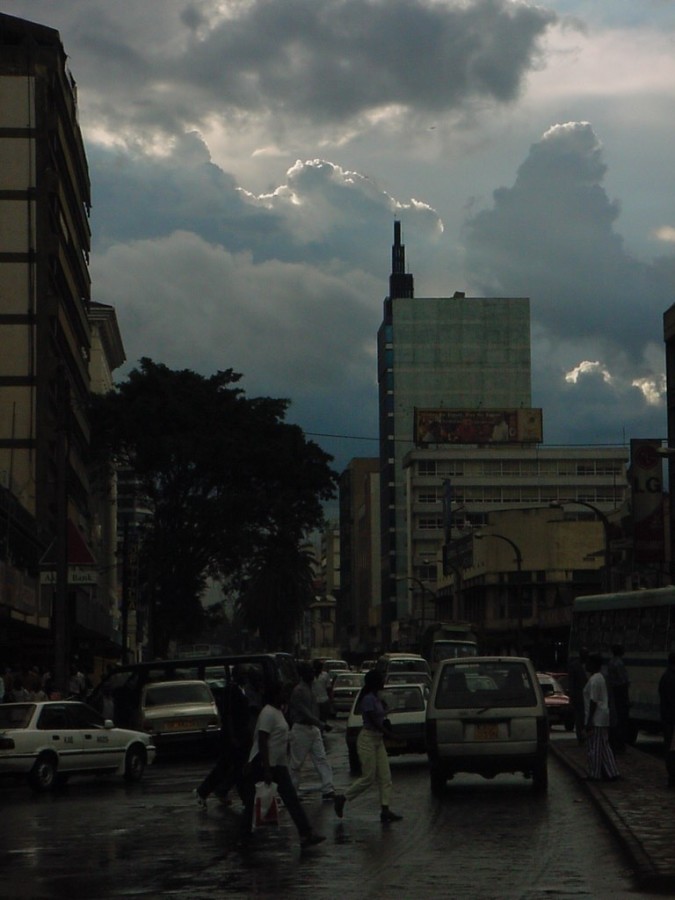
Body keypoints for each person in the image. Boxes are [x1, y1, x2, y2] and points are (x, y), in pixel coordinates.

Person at [239, 681, 325, 849]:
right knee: (252, 801)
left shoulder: (278, 712)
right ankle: (244, 836)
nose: (285, 696)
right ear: (275, 695)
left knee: (290, 799)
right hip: (264, 763)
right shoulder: (268, 713)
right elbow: (263, 739)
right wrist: (266, 767)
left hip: (277, 764)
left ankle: (306, 833)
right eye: (282, 693)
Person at [333, 669, 402, 823]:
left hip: (377, 740)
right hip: (368, 739)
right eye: (381, 680)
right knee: (368, 777)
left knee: (386, 776)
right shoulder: (368, 699)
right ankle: (343, 798)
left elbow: (381, 717)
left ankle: (385, 809)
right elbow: (375, 722)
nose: (384, 682)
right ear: (375, 682)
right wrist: (391, 735)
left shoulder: (376, 698)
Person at [193, 667, 251, 809]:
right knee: (235, 768)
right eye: (243, 675)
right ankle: (244, 798)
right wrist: (233, 737)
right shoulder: (232, 690)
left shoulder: (239, 689)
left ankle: (210, 791)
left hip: (238, 735)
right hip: (233, 736)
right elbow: (229, 715)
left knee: (226, 767)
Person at [288, 663, 336, 800]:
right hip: (301, 728)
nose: (313, 675)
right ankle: (293, 791)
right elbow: (305, 713)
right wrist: (321, 724)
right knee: (296, 763)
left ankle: (328, 788)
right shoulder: (299, 691)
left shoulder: (311, 688)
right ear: (303, 675)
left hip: (313, 728)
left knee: (321, 758)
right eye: (310, 672)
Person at [582, 652, 620, 782]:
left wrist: (589, 721)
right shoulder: (600, 678)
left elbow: (593, 701)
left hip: (596, 718)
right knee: (604, 747)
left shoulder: (594, 680)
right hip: (603, 716)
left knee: (595, 748)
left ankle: (595, 773)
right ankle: (612, 771)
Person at [607, 644, 630, 753]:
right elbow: (623, 681)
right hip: (619, 692)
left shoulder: (611, 662)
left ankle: (615, 742)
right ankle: (620, 744)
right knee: (621, 720)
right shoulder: (619, 663)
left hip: (613, 691)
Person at [658, 651, 675, 787]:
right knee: (671, 748)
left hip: (667, 717)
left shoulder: (666, 676)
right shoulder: (670, 678)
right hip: (671, 718)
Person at [567, 646, 588, 745]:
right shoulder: (574, 666)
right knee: (580, 718)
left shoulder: (589, 665)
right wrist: (572, 696)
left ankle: (585, 736)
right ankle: (581, 737)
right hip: (578, 696)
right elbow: (571, 682)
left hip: (587, 696)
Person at [312, 660, 333, 729]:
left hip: (324, 700)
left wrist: (330, 699)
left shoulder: (325, 675)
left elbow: (328, 688)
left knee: (323, 718)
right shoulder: (310, 675)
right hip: (313, 701)